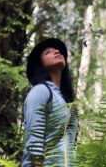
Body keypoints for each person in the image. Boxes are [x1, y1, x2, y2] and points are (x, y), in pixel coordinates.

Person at [22, 37, 79, 167]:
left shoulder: (68, 101)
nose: (56, 52)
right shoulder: (40, 92)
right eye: (48, 52)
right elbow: (34, 144)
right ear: (40, 64)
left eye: (58, 51)